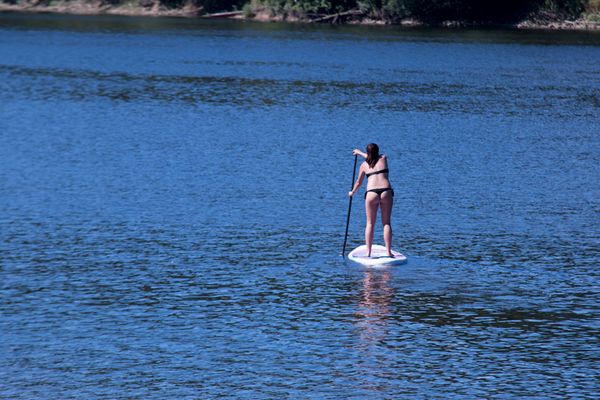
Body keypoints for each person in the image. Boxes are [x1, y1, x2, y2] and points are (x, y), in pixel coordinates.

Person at [348, 143, 395, 258]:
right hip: (386, 191)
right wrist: (360, 153)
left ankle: (368, 252)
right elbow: (373, 157)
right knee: (386, 223)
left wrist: (352, 192)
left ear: (367, 153)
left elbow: (359, 183)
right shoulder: (383, 158)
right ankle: (388, 252)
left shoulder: (364, 165)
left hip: (371, 193)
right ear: (378, 151)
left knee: (370, 223)